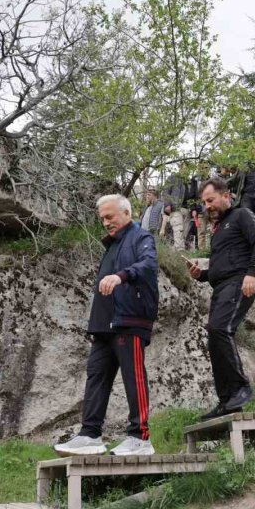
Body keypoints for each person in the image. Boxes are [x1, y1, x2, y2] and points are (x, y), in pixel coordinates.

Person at [54, 194, 158, 456]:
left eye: (109, 216)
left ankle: (140, 438)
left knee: (133, 378)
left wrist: (121, 276)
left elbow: (147, 266)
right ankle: (90, 435)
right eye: (102, 218)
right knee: (96, 377)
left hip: (130, 321)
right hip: (104, 325)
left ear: (126, 213)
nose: (105, 222)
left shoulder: (141, 238)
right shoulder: (112, 245)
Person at [187, 177, 255, 420]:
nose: (207, 206)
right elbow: (222, 265)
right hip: (221, 288)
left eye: (211, 200)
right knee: (214, 338)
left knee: (220, 329)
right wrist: (201, 275)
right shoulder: (219, 230)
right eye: (204, 202)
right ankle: (227, 401)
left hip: (239, 283)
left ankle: (241, 388)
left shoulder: (242, 215)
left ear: (226, 196)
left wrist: (252, 273)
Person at [228, 151, 255, 237]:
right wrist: (218, 186)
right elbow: (234, 179)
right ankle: (244, 241)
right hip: (247, 196)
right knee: (246, 217)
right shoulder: (245, 166)